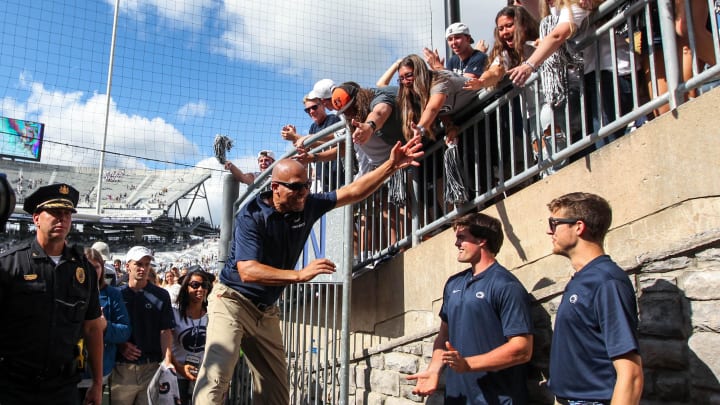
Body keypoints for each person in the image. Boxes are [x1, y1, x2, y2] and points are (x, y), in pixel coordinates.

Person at [192, 135, 424, 405]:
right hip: (232, 302)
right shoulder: (252, 215)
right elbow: (248, 270)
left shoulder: (307, 204)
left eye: (307, 185)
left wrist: (391, 166)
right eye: (295, 187)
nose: (303, 192)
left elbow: (352, 192)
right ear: (275, 187)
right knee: (216, 380)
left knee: (277, 394)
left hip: (265, 312)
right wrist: (299, 275)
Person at [406, 212, 534, 404]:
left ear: (482, 240)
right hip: (458, 397)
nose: (456, 244)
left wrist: (468, 364)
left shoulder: (506, 285)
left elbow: (522, 349)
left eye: (461, 238)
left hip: (498, 399)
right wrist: (433, 370)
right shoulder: (453, 284)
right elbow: (444, 337)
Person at [0, 183, 104, 405]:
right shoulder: (10, 264)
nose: (63, 219)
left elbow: (93, 328)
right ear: (36, 218)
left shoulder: (83, 269)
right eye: (55, 212)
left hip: (63, 388)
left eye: (67, 213)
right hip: (13, 387)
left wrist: (96, 382)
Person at [545, 192, 643, 404]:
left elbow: (631, 373)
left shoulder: (606, 281)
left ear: (578, 227)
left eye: (554, 223)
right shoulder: (583, 279)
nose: (548, 231)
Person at [112, 246, 175, 405]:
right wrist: (121, 345)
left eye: (147, 264)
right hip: (122, 369)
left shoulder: (161, 295)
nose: (143, 268)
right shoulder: (117, 294)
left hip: (151, 367)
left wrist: (167, 362)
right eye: (139, 264)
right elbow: (108, 328)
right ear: (128, 266)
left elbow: (166, 330)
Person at [78, 247, 132, 402]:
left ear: (102, 268)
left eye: (95, 267)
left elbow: (125, 330)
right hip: (68, 370)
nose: (91, 271)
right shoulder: (67, 292)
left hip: (99, 371)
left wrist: (105, 326)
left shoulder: (112, 294)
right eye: (87, 266)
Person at [171, 269, 212, 405]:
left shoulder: (212, 314)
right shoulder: (174, 312)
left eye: (204, 285)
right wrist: (179, 368)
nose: (200, 289)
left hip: (203, 375)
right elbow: (165, 345)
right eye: (195, 285)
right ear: (185, 288)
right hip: (178, 373)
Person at [424, 22, 489, 78]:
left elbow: (466, 84)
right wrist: (437, 71)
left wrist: (439, 68)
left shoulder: (479, 57)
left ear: (468, 38)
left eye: (457, 37)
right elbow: (448, 85)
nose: (453, 42)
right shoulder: (453, 60)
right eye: (450, 39)